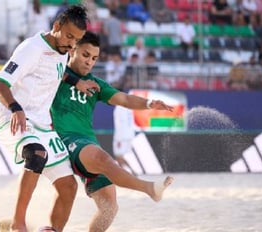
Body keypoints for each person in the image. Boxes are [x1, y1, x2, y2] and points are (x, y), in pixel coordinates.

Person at [51, 31, 174, 232]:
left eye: (94, 58)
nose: (89, 62)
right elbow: (43, 69)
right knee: (103, 158)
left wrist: (150, 103)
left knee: (109, 206)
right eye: (85, 55)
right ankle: (149, 189)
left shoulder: (96, 85)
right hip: (65, 139)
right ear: (72, 50)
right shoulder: (56, 72)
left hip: (86, 141)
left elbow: (124, 99)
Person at [0, 5, 99, 232]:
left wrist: (75, 81)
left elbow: (58, 71)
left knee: (69, 187)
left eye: (76, 40)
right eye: (69, 36)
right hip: (14, 119)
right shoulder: (32, 48)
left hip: (42, 126)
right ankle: (17, 225)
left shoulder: (62, 51)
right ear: (56, 26)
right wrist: (15, 107)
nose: (71, 45)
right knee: (37, 155)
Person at [112, 105, 137, 176]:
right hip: (129, 134)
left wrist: (119, 139)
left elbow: (119, 123)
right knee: (119, 156)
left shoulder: (119, 108)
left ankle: (126, 173)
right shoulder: (129, 108)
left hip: (121, 136)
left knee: (118, 156)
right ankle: (129, 172)